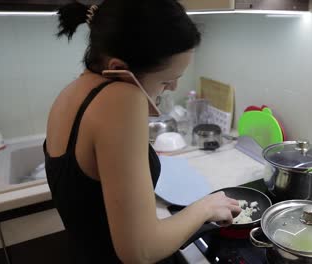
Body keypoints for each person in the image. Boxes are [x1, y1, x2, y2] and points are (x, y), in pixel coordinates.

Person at [44, 1, 241, 263]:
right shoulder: (122, 98)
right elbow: (141, 250)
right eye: (165, 79)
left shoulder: (72, 93)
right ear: (118, 67)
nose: (172, 87)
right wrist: (205, 207)